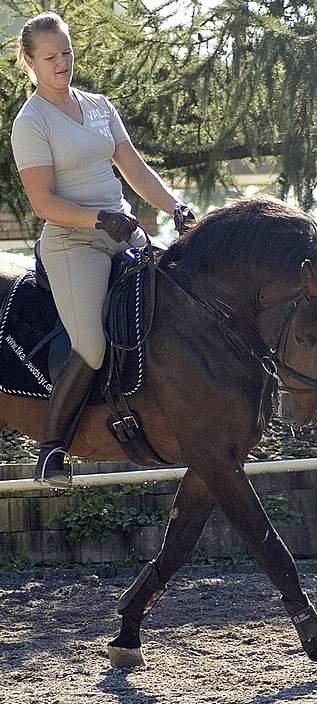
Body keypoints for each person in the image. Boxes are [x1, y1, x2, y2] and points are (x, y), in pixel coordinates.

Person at [11, 11, 193, 487]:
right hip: (74, 243)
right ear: (29, 62)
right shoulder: (31, 122)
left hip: (123, 233)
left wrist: (176, 207)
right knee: (90, 345)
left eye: (67, 53)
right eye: (50, 57)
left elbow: (133, 168)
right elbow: (43, 201)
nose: (62, 63)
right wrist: (98, 219)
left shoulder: (97, 105)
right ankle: (52, 450)